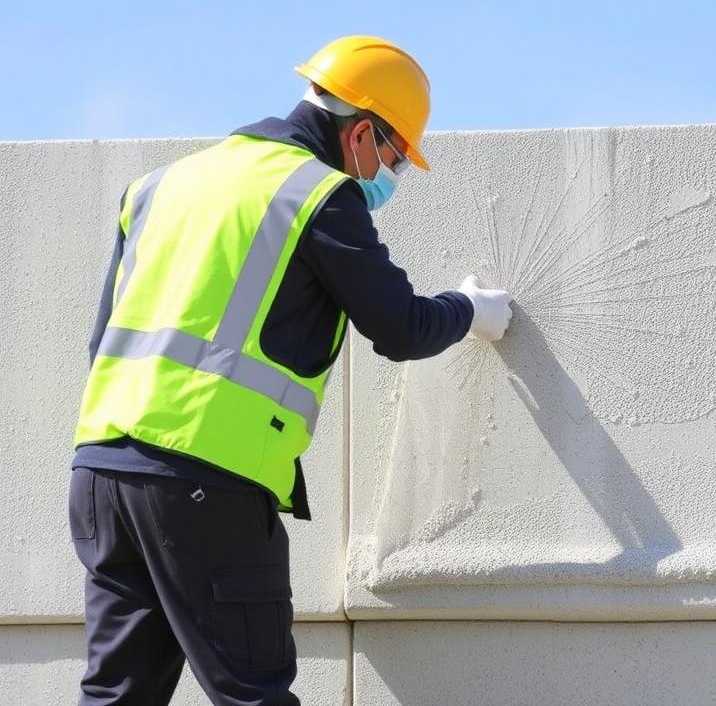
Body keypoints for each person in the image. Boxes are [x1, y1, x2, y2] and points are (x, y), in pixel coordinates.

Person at [67, 35, 513, 705]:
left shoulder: (159, 186)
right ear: (361, 134)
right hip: (205, 483)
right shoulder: (318, 194)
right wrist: (472, 309)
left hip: (101, 476)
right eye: (394, 157)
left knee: (116, 697)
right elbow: (400, 327)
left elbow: (102, 340)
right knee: (256, 694)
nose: (391, 175)